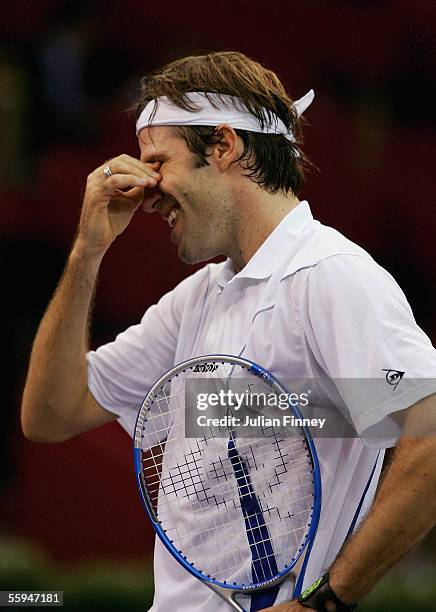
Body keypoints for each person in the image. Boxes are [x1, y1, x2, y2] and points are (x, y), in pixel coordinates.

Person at [21, 51, 436, 612]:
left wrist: (327, 602)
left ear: (223, 146)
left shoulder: (330, 276)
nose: (146, 189)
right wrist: (88, 250)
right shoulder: (197, 297)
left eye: (158, 162)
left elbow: (430, 437)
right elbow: (50, 414)